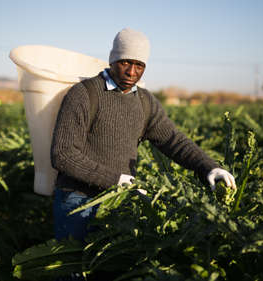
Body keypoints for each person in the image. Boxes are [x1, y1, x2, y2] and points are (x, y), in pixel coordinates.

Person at [51, 28, 236, 242]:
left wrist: (209, 167)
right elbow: (63, 154)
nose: (131, 72)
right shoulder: (85, 94)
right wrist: (114, 180)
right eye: (125, 62)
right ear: (113, 60)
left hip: (119, 200)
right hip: (77, 199)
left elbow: (173, 140)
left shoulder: (144, 101)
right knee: (73, 269)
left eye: (139, 65)